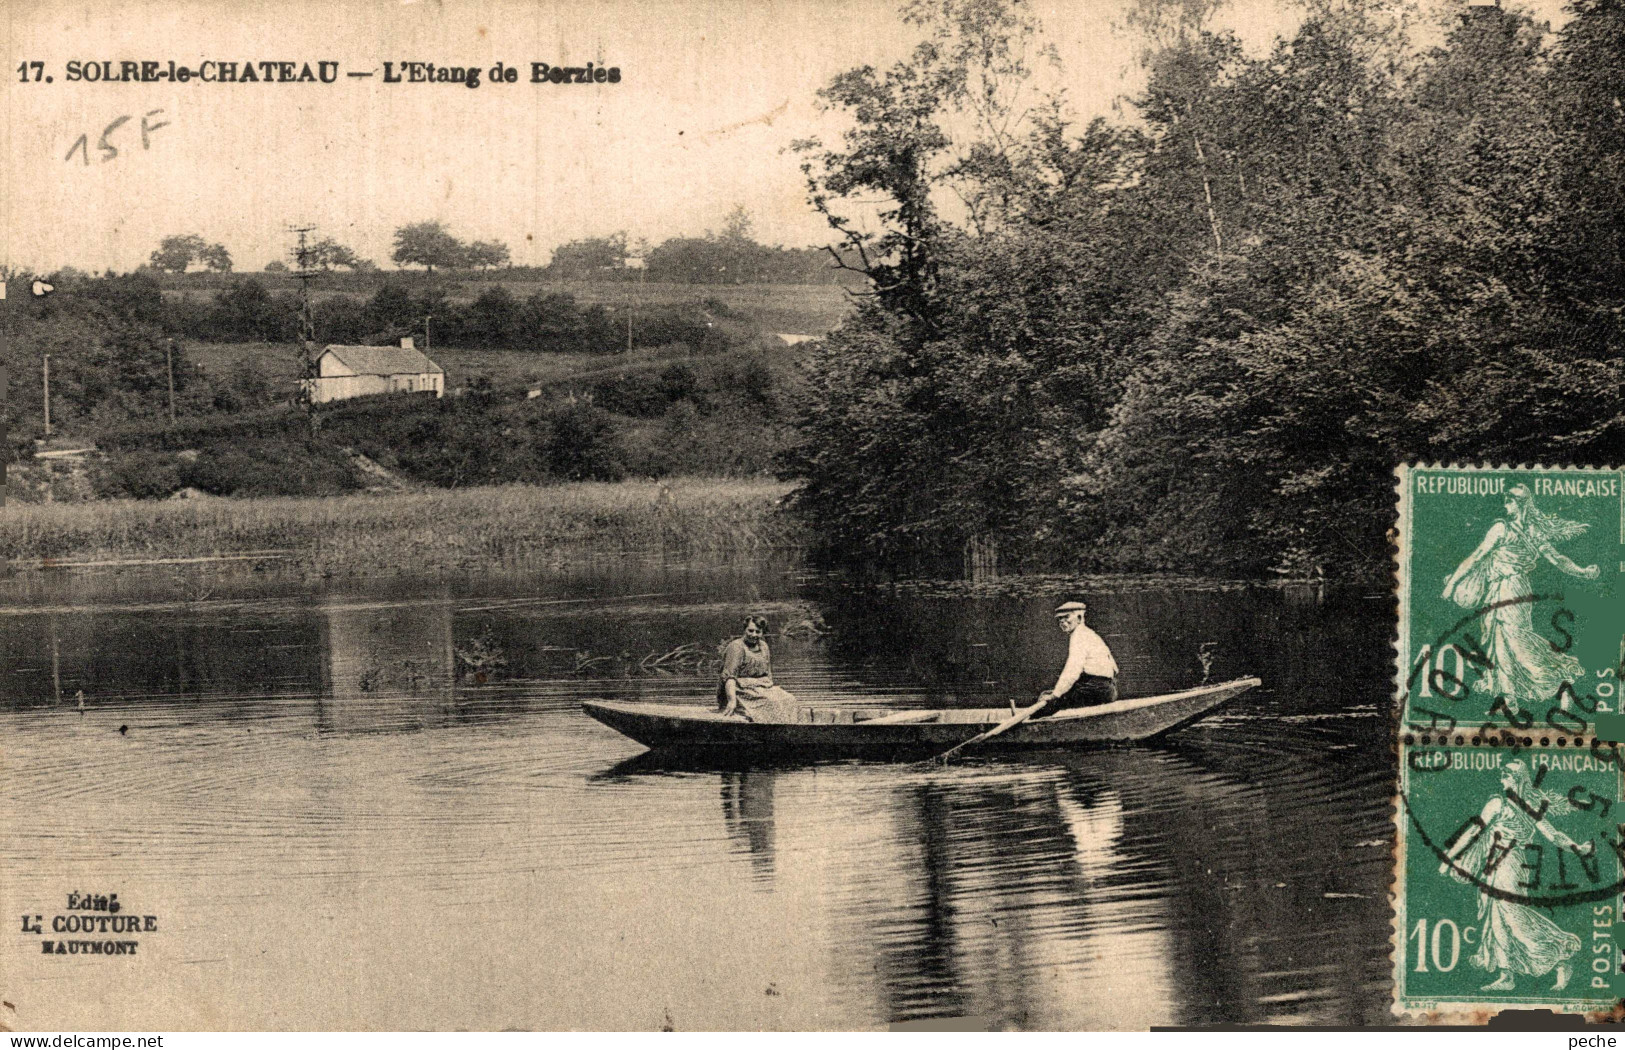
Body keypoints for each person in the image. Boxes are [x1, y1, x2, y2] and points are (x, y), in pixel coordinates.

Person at [1442, 484, 1599, 713]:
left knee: (1516, 640)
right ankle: (1509, 700)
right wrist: (1454, 583)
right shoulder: (1501, 527)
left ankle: (1554, 676)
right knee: (1498, 641)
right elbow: (1476, 557)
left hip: (1514, 590)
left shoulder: (1527, 531)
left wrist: (1582, 572)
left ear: (1521, 503)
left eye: (1510, 499)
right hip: (1498, 589)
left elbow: (1557, 559)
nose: (1505, 503)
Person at [1440, 759, 1587, 992]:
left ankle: (1560, 953)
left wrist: (1576, 847)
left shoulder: (1529, 807)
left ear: (1519, 778)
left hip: (1513, 863)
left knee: (1512, 915)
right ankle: (1507, 975)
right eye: (1502, 772)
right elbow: (1474, 831)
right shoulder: (1496, 803)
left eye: (1507, 773)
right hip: (1494, 864)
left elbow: (1553, 834)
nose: (1502, 775)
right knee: (1497, 917)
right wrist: (1451, 856)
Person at [1038, 601, 1118, 713]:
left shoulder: (1079, 637)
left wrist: (1055, 695)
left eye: (1066, 617)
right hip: (1109, 690)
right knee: (1048, 694)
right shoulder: (1090, 634)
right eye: (1060, 619)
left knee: (1049, 703)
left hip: (1095, 690)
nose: (1062, 621)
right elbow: (1115, 669)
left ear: (1079, 618)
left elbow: (1072, 671)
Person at [717, 616, 800, 723]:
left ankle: (789, 728)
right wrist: (731, 701)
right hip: (739, 690)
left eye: (758, 632)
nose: (754, 635)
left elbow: (768, 673)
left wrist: (772, 690)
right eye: (750, 631)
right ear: (744, 630)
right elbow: (729, 677)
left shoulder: (764, 646)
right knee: (771, 702)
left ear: (762, 633)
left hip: (761, 687)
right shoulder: (736, 647)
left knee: (789, 699)